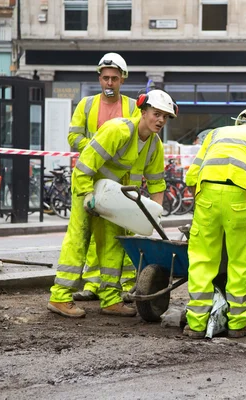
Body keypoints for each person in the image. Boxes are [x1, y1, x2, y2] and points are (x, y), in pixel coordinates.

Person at [47, 89, 177, 318]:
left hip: (114, 199)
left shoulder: (154, 145)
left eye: (165, 117)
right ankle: (60, 297)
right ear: (143, 111)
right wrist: (87, 195)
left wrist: (155, 217)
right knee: (79, 240)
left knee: (113, 245)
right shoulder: (118, 130)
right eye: (157, 114)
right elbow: (85, 165)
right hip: (88, 189)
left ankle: (110, 300)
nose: (160, 120)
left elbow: (157, 184)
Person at [183, 108, 246, 339]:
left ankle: (196, 324)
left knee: (202, 260)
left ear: (238, 122)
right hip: (241, 200)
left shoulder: (215, 134)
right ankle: (237, 323)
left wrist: (203, 204)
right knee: (239, 262)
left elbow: (191, 178)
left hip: (207, 195)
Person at [68, 52, 139, 302]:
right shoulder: (86, 105)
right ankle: (93, 283)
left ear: (123, 80)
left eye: (114, 79)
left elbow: (139, 141)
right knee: (91, 234)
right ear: (99, 78)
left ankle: (130, 283)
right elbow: (73, 137)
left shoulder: (132, 107)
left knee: (123, 233)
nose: (109, 83)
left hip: (120, 180)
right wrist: (99, 148)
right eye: (106, 78)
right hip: (91, 177)